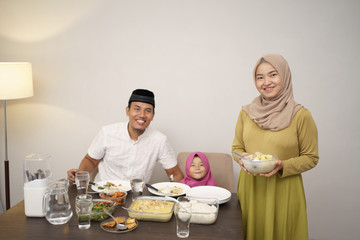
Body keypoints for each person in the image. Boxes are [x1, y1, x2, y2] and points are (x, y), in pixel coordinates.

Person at [232, 54, 319, 240]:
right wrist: (242, 158)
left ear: (285, 76)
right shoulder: (246, 113)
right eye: (260, 77)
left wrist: (282, 166)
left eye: (273, 75)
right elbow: (236, 148)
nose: (266, 82)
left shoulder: (301, 115)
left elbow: (311, 157)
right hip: (251, 188)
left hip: (283, 191)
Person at [67, 89, 184, 184]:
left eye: (148, 111)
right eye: (137, 109)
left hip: (136, 196)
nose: (142, 115)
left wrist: (181, 196)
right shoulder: (107, 132)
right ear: (127, 111)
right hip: (103, 194)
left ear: (153, 115)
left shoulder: (159, 140)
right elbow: (90, 160)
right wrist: (79, 176)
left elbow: (175, 174)